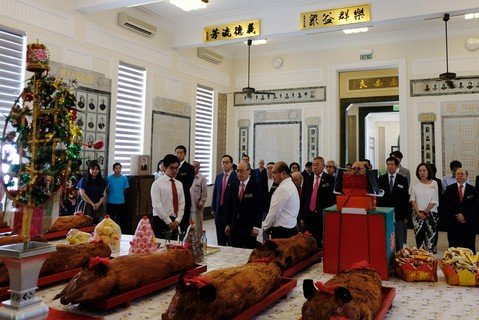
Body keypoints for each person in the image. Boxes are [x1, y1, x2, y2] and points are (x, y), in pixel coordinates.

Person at [300, 156, 335, 246]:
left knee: (319, 241)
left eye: (317, 165)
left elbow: (332, 200)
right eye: (313, 165)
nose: (314, 167)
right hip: (308, 215)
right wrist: (301, 216)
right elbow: (303, 198)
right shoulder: (307, 179)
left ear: (323, 166)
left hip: (322, 216)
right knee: (307, 241)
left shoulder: (330, 180)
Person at [377, 157, 410, 251]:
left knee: (399, 238)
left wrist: (406, 216)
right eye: (388, 164)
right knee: (386, 236)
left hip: (399, 214)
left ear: (396, 166)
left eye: (392, 164)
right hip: (384, 212)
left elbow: (405, 199)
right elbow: (378, 197)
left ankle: (399, 258)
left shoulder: (402, 180)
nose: (390, 166)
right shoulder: (381, 179)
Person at [227, 162, 262, 248]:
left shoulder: (255, 186)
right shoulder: (233, 185)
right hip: (234, 225)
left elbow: (259, 208)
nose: (239, 173)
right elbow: (229, 206)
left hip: (249, 226)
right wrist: (227, 224)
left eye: (242, 171)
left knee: (248, 252)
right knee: (235, 251)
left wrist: (256, 226)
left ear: (249, 171)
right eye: (237, 171)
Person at [150, 154, 185, 239]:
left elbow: (182, 203)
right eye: (171, 168)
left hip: (174, 221)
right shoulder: (157, 184)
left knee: (172, 248)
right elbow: (156, 205)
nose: (174, 170)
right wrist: (168, 221)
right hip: (160, 220)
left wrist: (178, 220)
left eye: (176, 168)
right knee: (161, 248)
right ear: (165, 168)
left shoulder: (179, 184)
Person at [445, 168, 479, 253]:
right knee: (454, 248)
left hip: (468, 223)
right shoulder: (449, 189)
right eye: (458, 174)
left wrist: (465, 216)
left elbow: (475, 206)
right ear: (455, 176)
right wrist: (457, 215)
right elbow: (447, 205)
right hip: (454, 222)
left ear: (466, 176)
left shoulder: (473, 190)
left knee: (469, 247)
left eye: (462, 174)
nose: (459, 175)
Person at [262, 161, 299, 239]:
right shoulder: (291, 185)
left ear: (283, 173)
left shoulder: (283, 188)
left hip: (282, 232)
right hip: (291, 228)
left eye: (274, 172)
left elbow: (274, 213)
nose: (272, 175)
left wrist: (264, 226)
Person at [409, 163, 439, 252]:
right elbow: (412, 199)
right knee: (419, 237)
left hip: (431, 214)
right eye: (420, 171)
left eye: (424, 170)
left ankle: (429, 257)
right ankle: (420, 257)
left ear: (428, 171)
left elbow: (434, 200)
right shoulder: (415, 183)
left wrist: (425, 212)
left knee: (430, 237)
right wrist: (418, 212)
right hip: (417, 213)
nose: (422, 173)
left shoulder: (434, 183)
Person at [211, 155, 238, 245]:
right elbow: (215, 193)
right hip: (219, 211)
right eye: (223, 162)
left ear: (231, 164)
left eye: (227, 162)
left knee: (230, 237)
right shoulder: (219, 176)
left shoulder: (236, 177)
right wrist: (213, 208)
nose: (225, 164)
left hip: (229, 212)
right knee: (220, 236)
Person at [175, 145, 195, 233]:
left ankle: (184, 241)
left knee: (184, 222)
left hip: (184, 198)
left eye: (181, 153)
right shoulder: (173, 167)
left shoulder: (189, 168)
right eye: (177, 153)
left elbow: (188, 184)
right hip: (173, 198)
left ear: (185, 154)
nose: (179, 155)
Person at [106, 163, 129, 231]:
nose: (118, 170)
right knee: (109, 219)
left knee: (120, 220)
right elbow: (106, 190)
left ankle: (119, 232)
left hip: (121, 202)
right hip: (111, 201)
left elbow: (125, 190)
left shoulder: (124, 178)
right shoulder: (109, 178)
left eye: (119, 168)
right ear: (113, 169)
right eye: (116, 168)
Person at [190, 160, 207, 238]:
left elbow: (204, 192)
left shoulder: (202, 178)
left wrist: (201, 202)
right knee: (190, 227)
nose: (194, 168)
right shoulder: (189, 177)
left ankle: (197, 242)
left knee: (197, 226)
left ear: (199, 168)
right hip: (189, 206)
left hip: (197, 206)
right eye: (192, 167)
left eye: (196, 166)